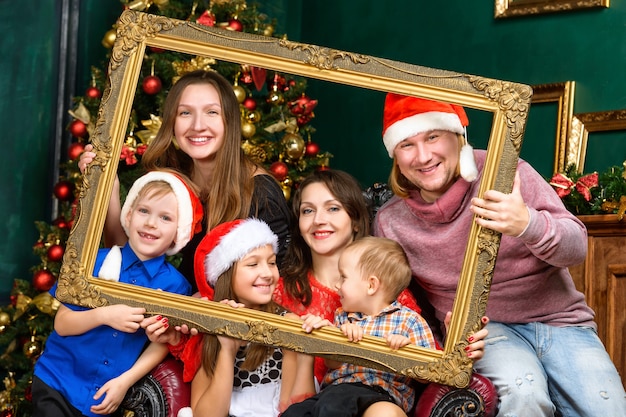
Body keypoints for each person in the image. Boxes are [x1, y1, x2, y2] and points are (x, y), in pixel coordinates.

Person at [373, 93, 626, 416]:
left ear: (458, 136)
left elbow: (577, 247)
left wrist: (527, 224)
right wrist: (445, 340)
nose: (423, 156)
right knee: (524, 395)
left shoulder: (506, 172)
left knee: (608, 408)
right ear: (394, 154)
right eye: (407, 144)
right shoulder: (391, 221)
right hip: (486, 332)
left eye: (433, 136)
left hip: (560, 321)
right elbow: (401, 303)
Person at [79, 69, 292, 292]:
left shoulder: (261, 194)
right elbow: (125, 262)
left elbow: (276, 291)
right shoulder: (174, 176)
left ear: (230, 121)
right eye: (185, 113)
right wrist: (109, 189)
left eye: (211, 112)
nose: (197, 125)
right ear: (172, 122)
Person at [273, 169, 486, 386]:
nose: (318, 220)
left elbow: (429, 366)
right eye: (307, 211)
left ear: (355, 220)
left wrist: (458, 349)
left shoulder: (390, 294)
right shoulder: (281, 290)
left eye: (333, 208)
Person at [32, 170, 203, 417]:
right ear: (130, 214)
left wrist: (125, 381)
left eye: (165, 217)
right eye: (144, 211)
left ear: (180, 231)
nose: (151, 223)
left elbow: (161, 343)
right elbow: (63, 324)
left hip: (106, 394)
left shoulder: (175, 287)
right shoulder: (93, 263)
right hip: (57, 381)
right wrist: (104, 315)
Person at [148, 218, 316, 417]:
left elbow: (295, 411)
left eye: (271, 262)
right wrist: (227, 351)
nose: (267, 273)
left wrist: (307, 350)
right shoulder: (209, 328)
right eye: (253, 264)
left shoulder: (287, 324)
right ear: (226, 275)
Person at [282, 236, 438, 417]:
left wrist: (406, 350)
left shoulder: (410, 321)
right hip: (337, 389)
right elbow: (331, 364)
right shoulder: (344, 317)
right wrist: (342, 340)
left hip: (380, 393)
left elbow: (428, 374)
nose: (337, 284)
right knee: (295, 412)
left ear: (371, 285)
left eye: (344, 277)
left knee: (339, 408)